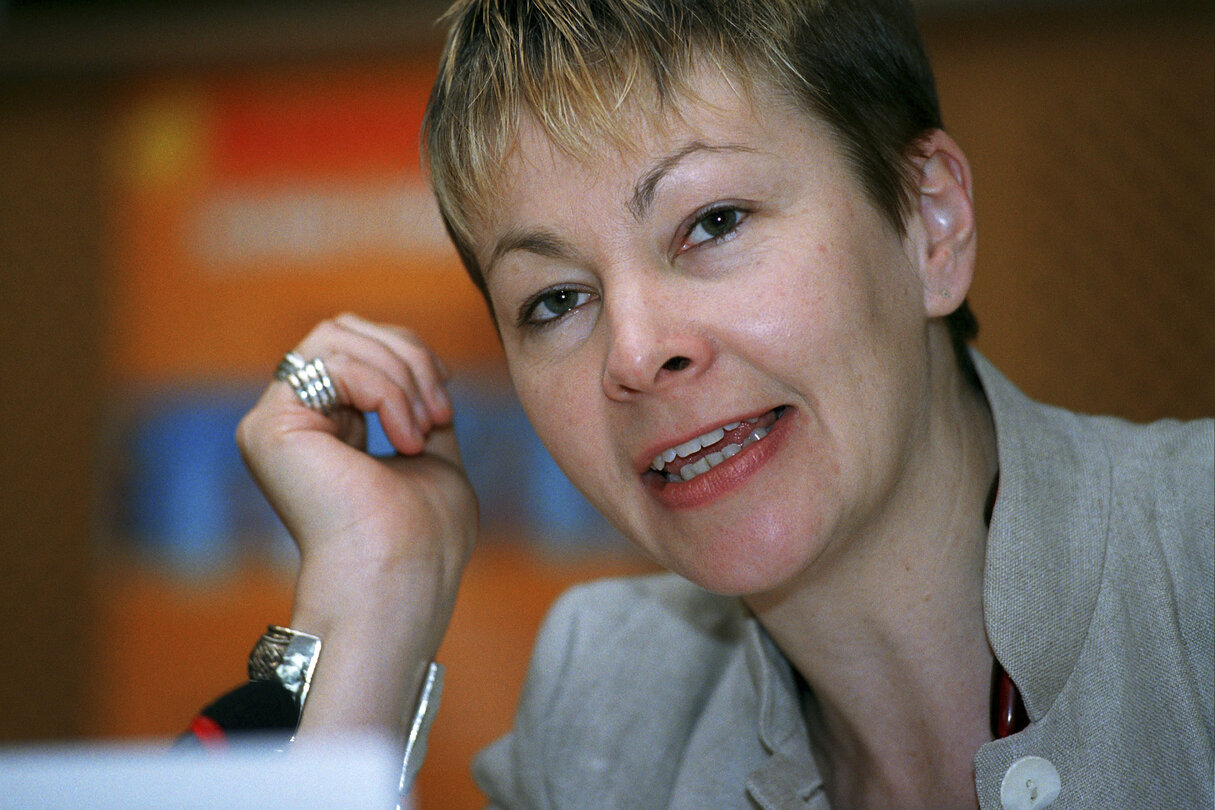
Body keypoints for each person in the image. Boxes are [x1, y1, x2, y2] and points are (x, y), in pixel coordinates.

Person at [187, 1, 1214, 807]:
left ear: (928, 222)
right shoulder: (610, 707)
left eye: (713, 222)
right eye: (556, 300)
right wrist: (376, 603)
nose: (635, 353)